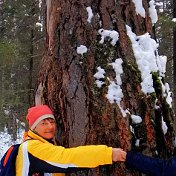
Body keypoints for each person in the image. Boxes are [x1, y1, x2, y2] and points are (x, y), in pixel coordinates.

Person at [16, 105, 121, 176]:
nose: (50, 127)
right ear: (33, 128)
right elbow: (67, 158)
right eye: (43, 123)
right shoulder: (32, 147)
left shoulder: (47, 143)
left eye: (52, 122)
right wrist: (108, 154)